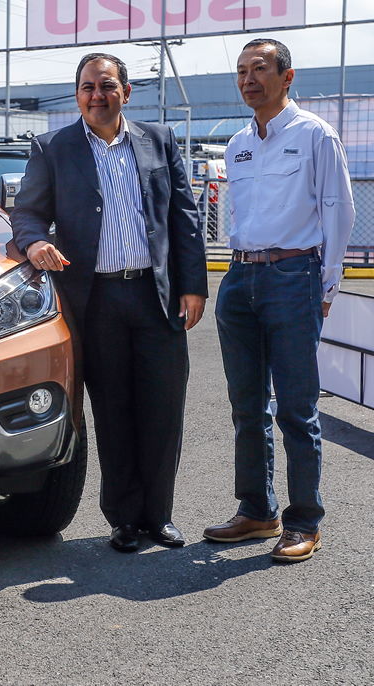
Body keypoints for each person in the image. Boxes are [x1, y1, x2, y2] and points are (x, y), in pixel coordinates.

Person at [11, 53, 208, 553]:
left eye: (106, 85)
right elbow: (27, 214)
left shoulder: (158, 141)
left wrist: (193, 285)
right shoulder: (53, 147)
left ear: (126, 91)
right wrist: (34, 243)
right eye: (86, 87)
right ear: (77, 94)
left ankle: (158, 516)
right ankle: (123, 519)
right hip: (93, 301)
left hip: (155, 296)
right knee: (113, 411)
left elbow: (184, 217)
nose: (96, 95)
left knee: (164, 409)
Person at [203, 39, 355, 563]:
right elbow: (240, 219)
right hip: (240, 279)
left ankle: (303, 521)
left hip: (295, 277)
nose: (248, 79)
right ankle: (256, 512)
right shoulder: (237, 143)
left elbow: (337, 210)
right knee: (246, 405)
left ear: (286, 77)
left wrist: (327, 285)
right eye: (241, 71)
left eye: (260, 69)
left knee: (295, 406)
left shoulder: (315, 134)